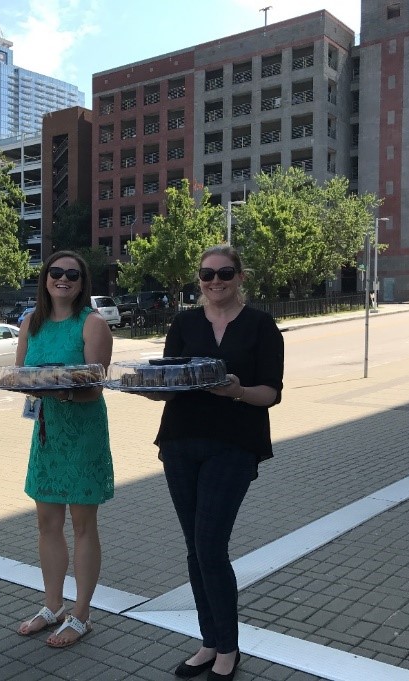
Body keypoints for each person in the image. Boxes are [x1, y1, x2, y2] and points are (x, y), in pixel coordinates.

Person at [152, 245, 284, 680]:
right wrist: (149, 388)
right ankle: (209, 641)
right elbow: (168, 380)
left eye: (224, 273)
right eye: (207, 275)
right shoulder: (185, 323)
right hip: (179, 443)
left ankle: (229, 647)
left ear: (240, 276)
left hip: (234, 445)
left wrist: (237, 392)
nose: (215, 282)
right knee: (195, 547)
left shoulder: (262, 326)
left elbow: (271, 392)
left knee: (210, 545)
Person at [14, 250, 114, 648]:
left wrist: (61, 392)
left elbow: (95, 385)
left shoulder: (92, 324)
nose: (63, 279)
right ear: (45, 278)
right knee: (47, 523)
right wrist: (37, 387)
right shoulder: (30, 324)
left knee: (83, 525)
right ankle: (52, 605)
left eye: (72, 274)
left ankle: (82, 613)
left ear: (81, 282)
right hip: (46, 434)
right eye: (56, 272)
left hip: (83, 432)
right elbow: (20, 377)